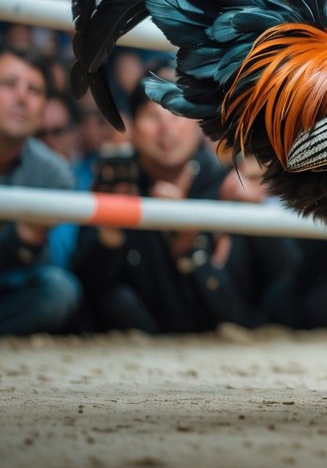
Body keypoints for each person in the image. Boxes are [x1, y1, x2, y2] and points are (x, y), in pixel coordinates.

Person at [70, 78, 298, 333]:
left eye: (178, 113)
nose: (166, 128)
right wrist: (110, 235)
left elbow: (286, 274)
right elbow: (86, 288)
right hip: (138, 341)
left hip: (227, 332)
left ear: (198, 124)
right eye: (152, 115)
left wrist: (195, 246)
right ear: (131, 127)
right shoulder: (118, 181)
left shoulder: (228, 185)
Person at [0, 45, 80, 335]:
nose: (22, 97)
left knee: (59, 290)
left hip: (9, 286)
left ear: (44, 108)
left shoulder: (54, 173)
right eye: (9, 84)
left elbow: (55, 263)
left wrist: (23, 243)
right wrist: (19, 237)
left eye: (34, 90)